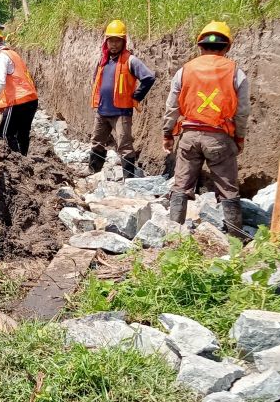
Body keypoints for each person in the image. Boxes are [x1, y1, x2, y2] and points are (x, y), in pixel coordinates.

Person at [163, 20, 251, 239]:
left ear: (200, 46)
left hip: (189, 137)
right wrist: (239, 137)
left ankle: (174, 235)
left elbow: (172, 105)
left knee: (181, 186)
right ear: (227, 47)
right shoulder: (236, 73)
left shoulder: (184, 70)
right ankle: (236, 240)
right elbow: (242, 111)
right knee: (228, 190)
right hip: (219, 137)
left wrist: (167, 133)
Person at [89, 19, 156, 176]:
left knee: (124, 146)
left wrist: (136, 96)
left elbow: (149, 78)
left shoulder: (131, 60)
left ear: (123, 41)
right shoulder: (102, 60)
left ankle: (129, 179)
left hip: (121, 112)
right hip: (102, 110)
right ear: (106, 42)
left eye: (117, 41)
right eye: (110, 40)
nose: (114, 44)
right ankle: (93, 173)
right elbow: (95, 81)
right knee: (96, 142)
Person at [0, 28, 39, 155]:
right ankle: (24, 160)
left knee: (6, 134)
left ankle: (17, 164)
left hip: (18, 102)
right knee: (23, 134)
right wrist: (2, 105)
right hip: (31, 100)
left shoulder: (0, 57)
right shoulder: (12, 54)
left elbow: (1, 82)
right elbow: (13, 81)